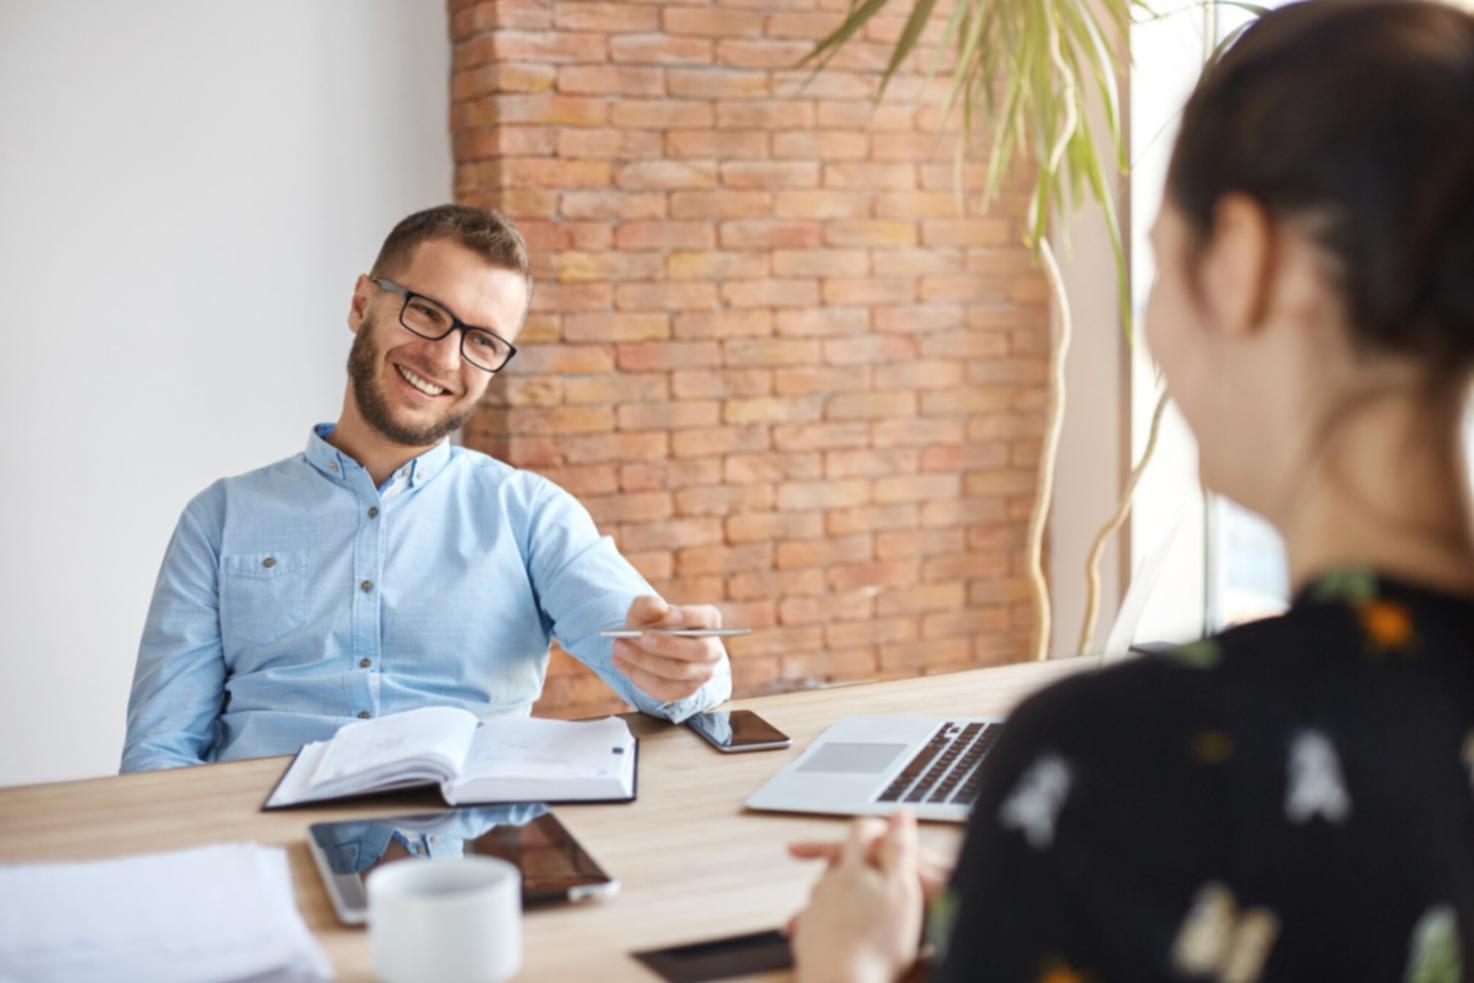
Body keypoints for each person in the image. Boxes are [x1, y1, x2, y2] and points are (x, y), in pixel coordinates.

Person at [786, 1, 1474, 979]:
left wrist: (849, 959)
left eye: (1159, 262)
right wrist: (1035, 901)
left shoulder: (1120, 762)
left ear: (1243, 261)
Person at [121, 205, 731, 772]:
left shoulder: (530, 516)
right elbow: (159, 752)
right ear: (362, 303)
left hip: (467, 858)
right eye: (428, 312)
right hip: (267, 852)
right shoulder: (220, 518)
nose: (444, 357)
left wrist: (686, 667)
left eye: (483, 341)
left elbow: (669, 669)